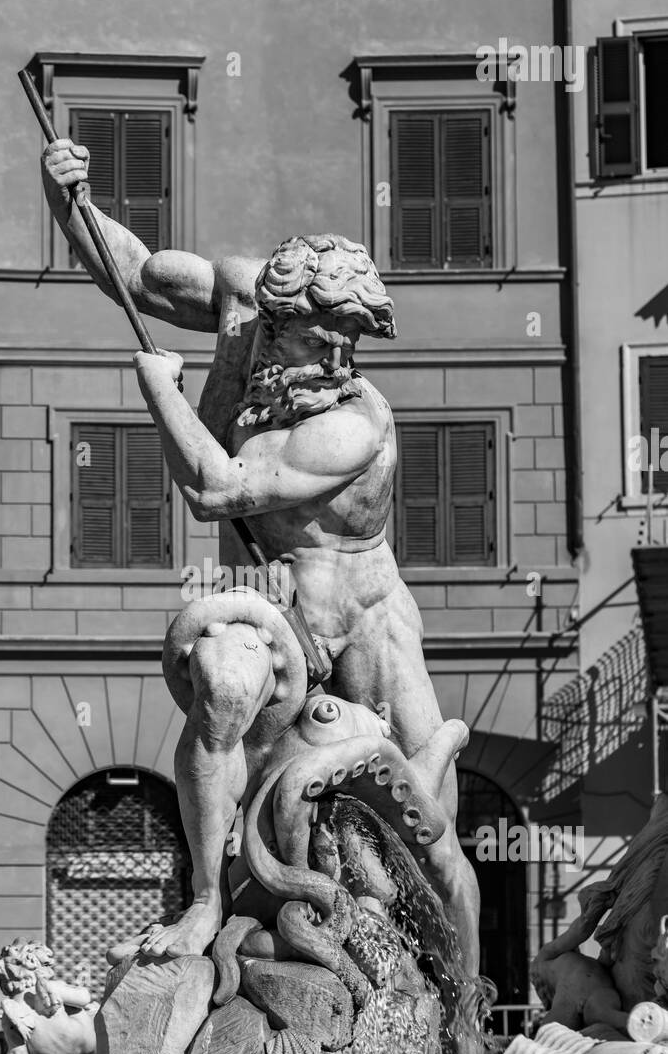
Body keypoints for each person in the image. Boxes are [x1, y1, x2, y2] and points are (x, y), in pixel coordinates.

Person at [41, 142, 480, 983]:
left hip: (364, 617)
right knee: (224, 690)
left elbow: (216, 489)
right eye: (321, 340)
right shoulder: (241, 299)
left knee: (431, 824)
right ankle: (207, 896)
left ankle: (456, 997)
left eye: (348, 342)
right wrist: (69, 202)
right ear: (272, 316)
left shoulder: (352, 423)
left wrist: (161, 389)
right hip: (265, 596)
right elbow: (135, 275)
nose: (337, 361)